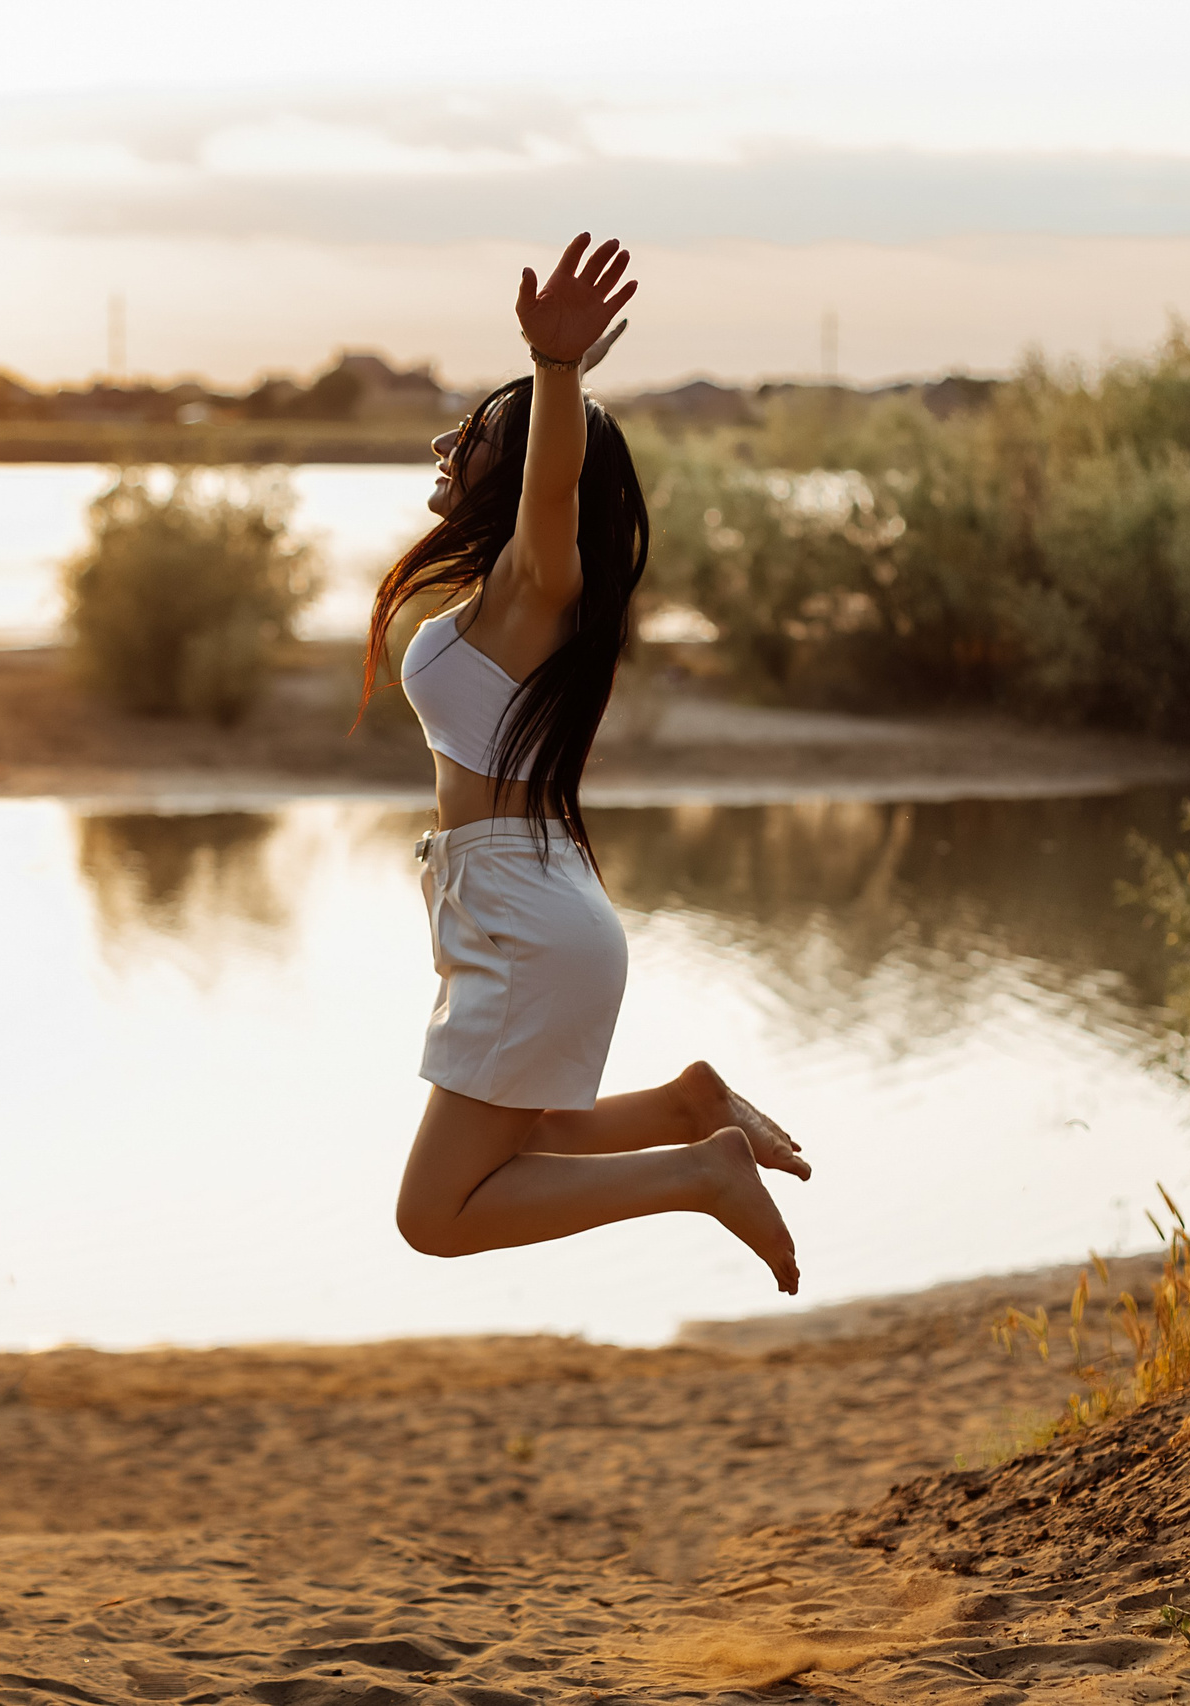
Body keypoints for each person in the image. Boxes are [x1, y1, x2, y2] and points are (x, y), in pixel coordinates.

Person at [363, 233, 809, 1294]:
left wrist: (554, 374)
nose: (441, 438)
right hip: (517, 902)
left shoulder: (533, 585)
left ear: (513, 470)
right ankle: (686, 1108)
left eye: (468, 432)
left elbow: (555, 488)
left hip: (523, 911)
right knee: (520, 1139)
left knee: (434, 1213)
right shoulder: (502, 607)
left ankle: (697, 1169)